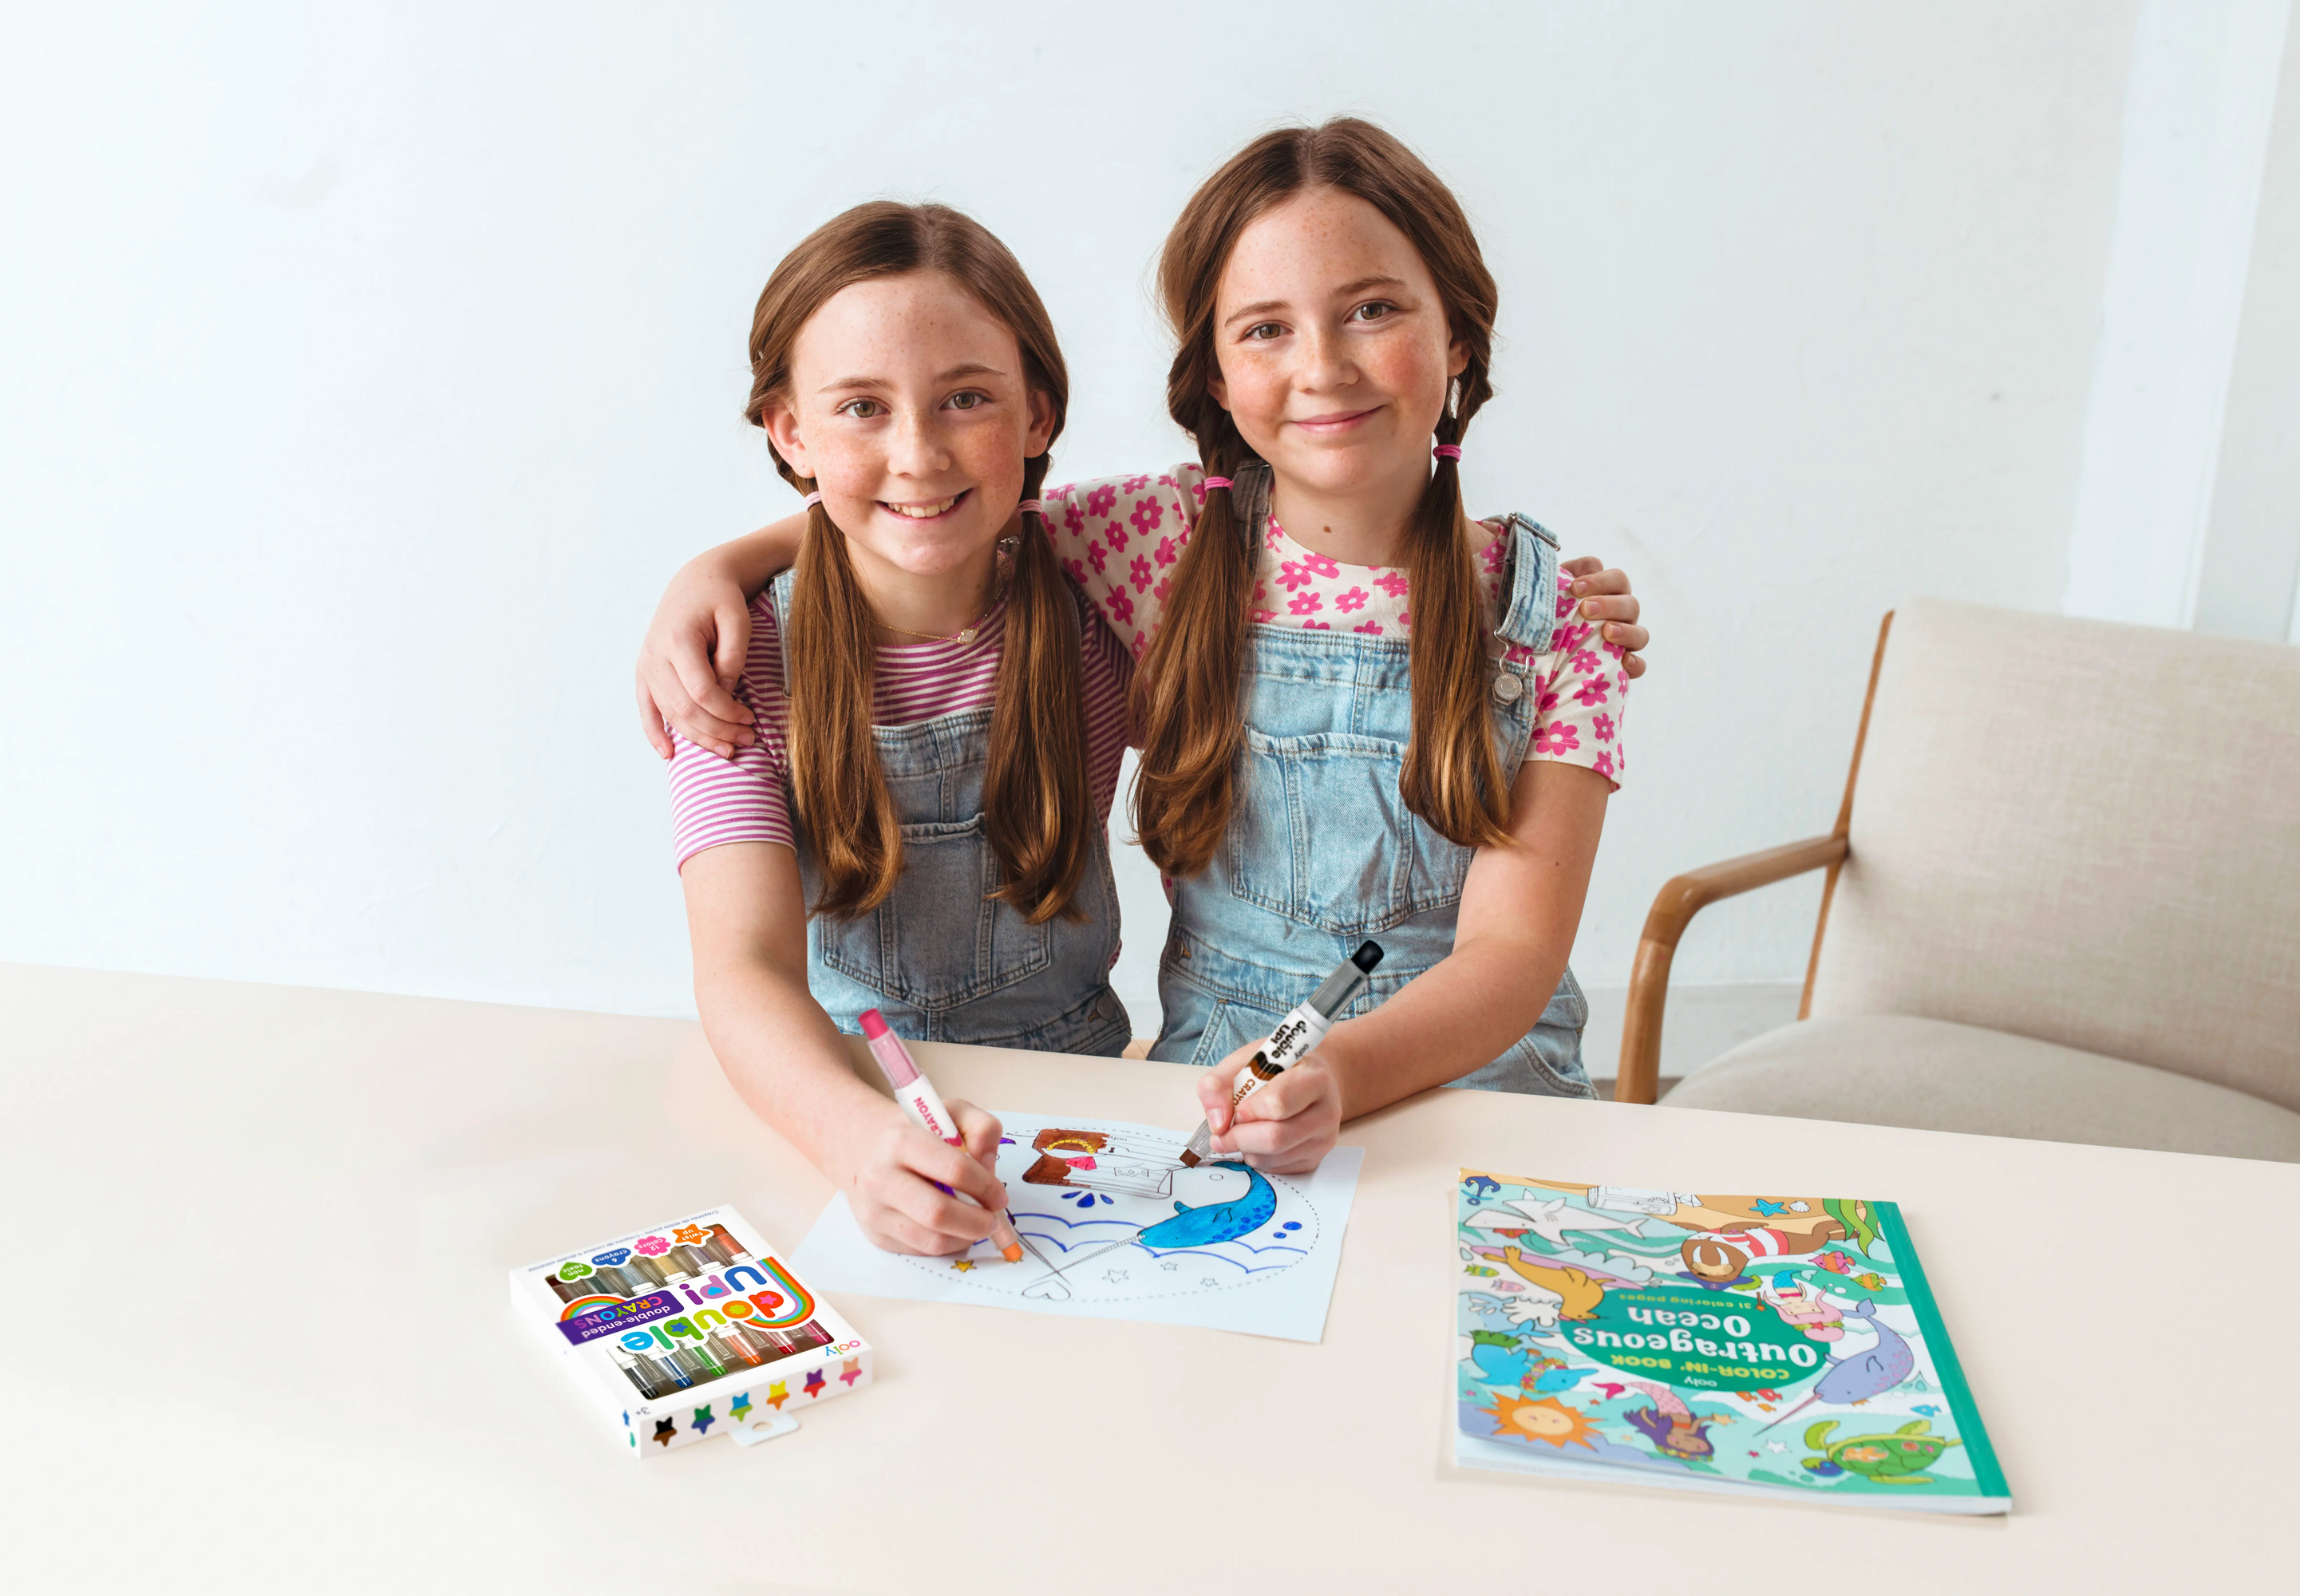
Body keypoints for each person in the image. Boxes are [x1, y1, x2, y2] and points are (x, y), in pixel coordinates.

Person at [646, 120, 1654, 1184]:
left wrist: (1340, 1070)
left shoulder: (1557, 619)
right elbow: (932, 516)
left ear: (1460, 335)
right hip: (1211, 1116)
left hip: (1485, 1112)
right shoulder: (1160, 546)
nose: (1323, 365)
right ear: (1214, 376)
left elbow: (1513, 957)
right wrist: (717, 567)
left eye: (1373, 309)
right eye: (1265, 328)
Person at [679, 200, 1134, 1254]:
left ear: (1037, 414)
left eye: (965, 398)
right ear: (791, 434)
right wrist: (858, 1143)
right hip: (833, 1103)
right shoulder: (737, 654)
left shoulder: (1110, 597)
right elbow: (740, 967)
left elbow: (1309, 569)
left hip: (1082, 1113)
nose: (920, 454)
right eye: (862, 409)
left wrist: (1521, 586)